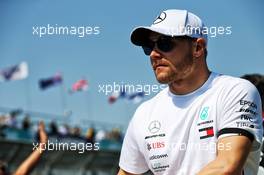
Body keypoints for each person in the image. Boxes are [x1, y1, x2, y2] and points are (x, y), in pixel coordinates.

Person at [118, 9, 263, 175]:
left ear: (198, 48)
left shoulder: (235, 91)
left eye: (164, 43)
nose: (153, 54)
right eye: (148, 46)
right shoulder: (144, 113)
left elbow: (226, 167)